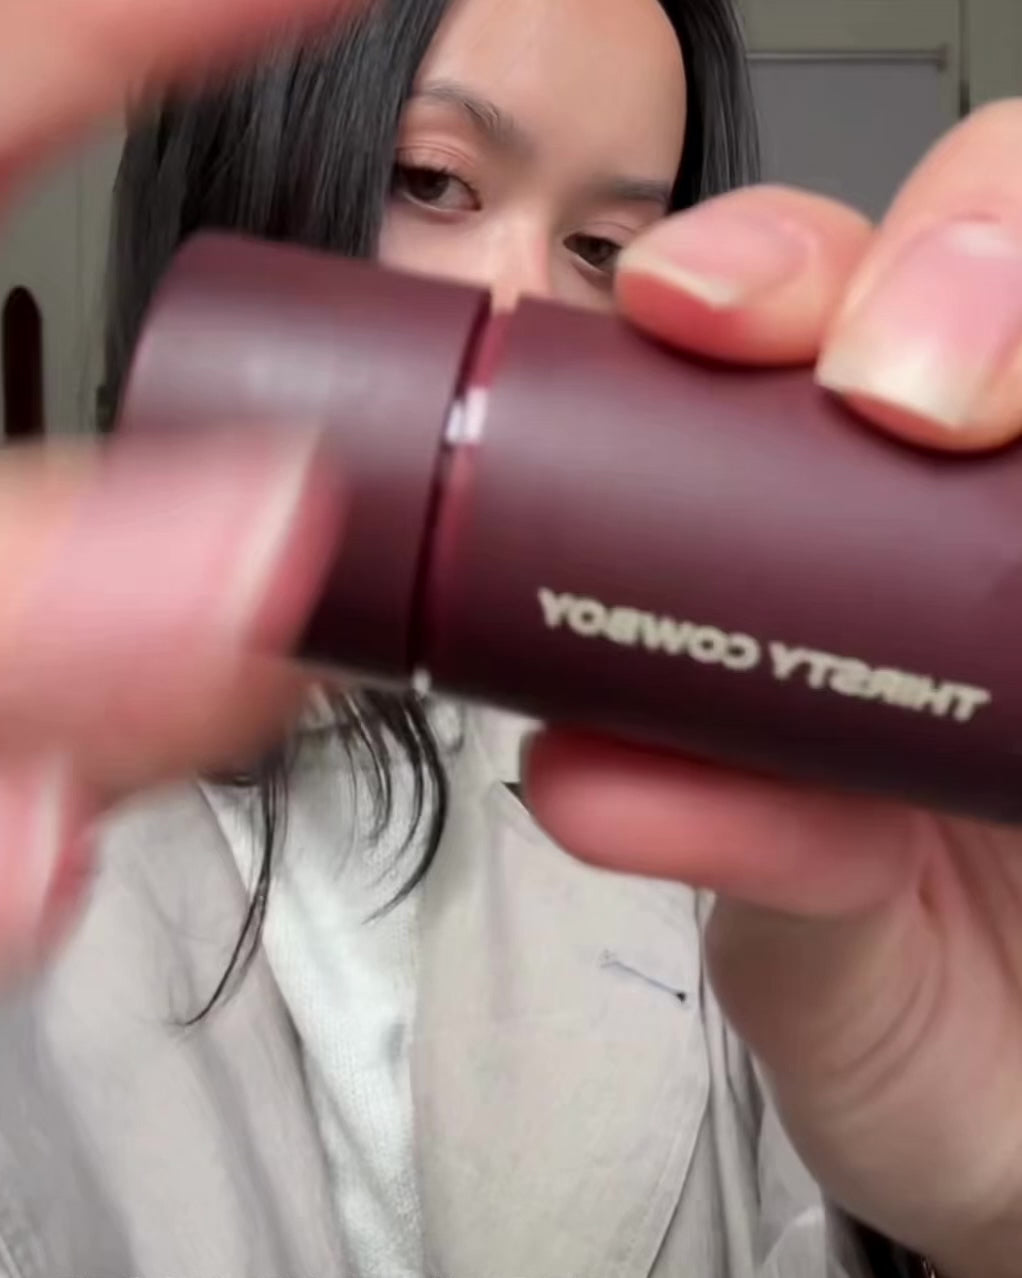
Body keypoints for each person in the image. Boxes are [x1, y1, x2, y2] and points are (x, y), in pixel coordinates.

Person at [2, 0, 1022, 1275]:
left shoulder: (729, 814)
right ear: (243, 168)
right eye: (432, 181)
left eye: (600, 249)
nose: (522, 302)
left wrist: (989, 1222)